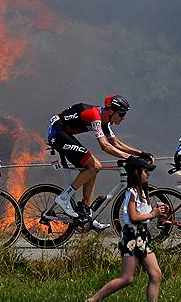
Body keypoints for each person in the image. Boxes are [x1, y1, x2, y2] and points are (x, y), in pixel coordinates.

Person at [49, 95, 147, 229]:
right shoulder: (95, 116)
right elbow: (105, 146)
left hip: (65, 133)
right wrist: (129, 158)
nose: (123, 118)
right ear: (111, 111)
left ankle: (86, 214)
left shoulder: (105, 120)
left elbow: (115, 143)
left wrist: (140, 153)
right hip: (57, 133)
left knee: (93, 169)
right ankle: (64, 198)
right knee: (94, 166)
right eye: (122, 114)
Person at [86, 156, 166, 302]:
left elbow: (144, 216)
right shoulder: (132, 192)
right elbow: (134, 216)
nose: (148, 174)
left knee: (156, 275)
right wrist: (153, 214)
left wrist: (158, 213)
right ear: (136, 173)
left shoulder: (143, 193)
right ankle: (93, 300)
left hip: (142, 235)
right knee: (127, 278)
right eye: (145, 171)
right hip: (131, 235)